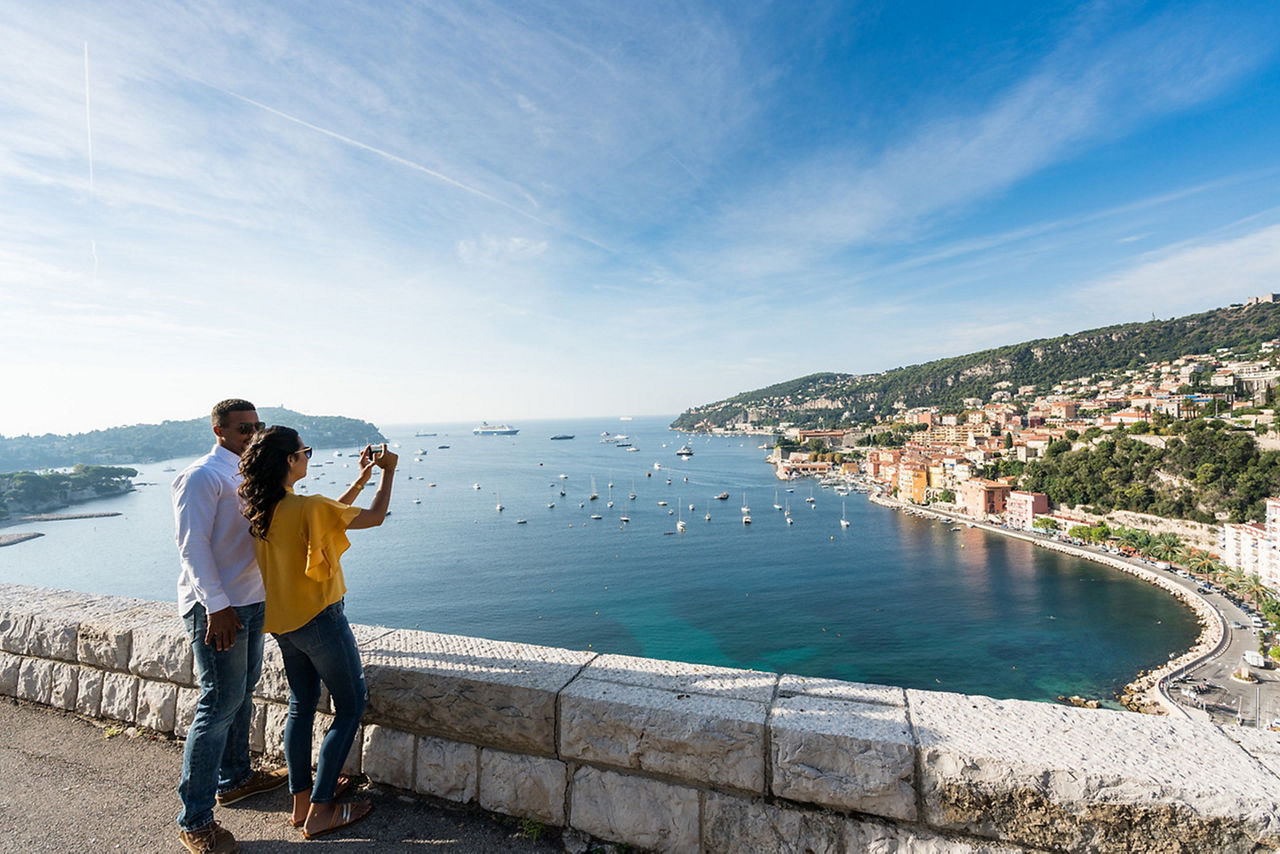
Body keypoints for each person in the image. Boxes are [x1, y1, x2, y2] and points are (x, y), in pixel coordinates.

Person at [237, 426, 396, 839]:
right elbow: (376, 517)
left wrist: (361, 478)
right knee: (351, 706)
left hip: (283, 624)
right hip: (321, 620)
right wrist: (388, 472)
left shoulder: (262, 508)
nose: (308, 456)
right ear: (289, 460)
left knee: (301, 706)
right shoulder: (307, 506)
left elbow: (327, 517)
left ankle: (301, 802)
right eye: (304, 451)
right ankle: (322, 809)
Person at [172, 399, 287, 854]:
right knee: (218, 704)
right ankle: (195, 820)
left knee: (242, 693)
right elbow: (192, 546)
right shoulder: (202, 476)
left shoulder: (248, 473)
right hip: (218, 608)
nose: (252, 434)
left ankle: (236, 778)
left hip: (252, 601)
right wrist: (217, 606)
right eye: (243, 428)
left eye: (258, 426)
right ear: (219, 431)